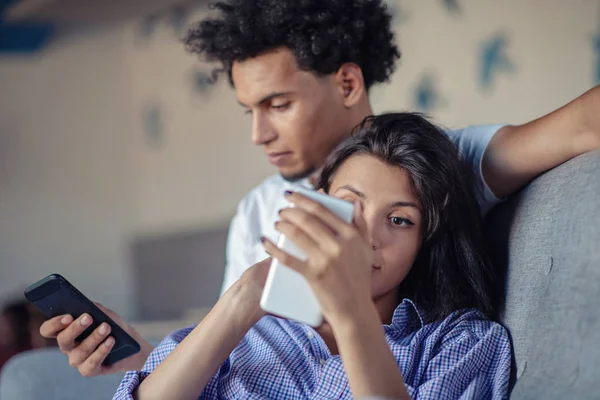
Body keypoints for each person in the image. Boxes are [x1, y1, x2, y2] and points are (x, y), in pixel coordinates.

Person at [39, 0, 600, 377]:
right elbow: (237, 348)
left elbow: (582, 125)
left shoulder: (450, 162)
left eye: (278, 105)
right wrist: (136, 354)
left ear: (349, 83)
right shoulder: (259, 208)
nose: (259, 134)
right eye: (249, 111)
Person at [114, 113, 512, 399]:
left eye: (399, 220)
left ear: (427, 238)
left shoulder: (463, 343)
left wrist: (350, 310)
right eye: (348, 207)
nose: (365, 238)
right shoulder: (244, 333)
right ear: (316, 206)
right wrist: (243, 297)